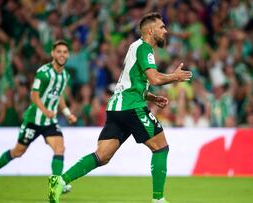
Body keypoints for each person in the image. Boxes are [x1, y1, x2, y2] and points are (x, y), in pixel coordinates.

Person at [48, 12, 192, 203]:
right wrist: (175, 77)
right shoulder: (145, 49)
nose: (165, 31)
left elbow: (129, 81)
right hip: (132, 106)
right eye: (162, 27)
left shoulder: (135, 47)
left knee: (103, 155)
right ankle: (158, 199)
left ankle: (59, 181)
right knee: (161, 148)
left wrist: (150, 96)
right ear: (150, 30)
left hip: (117, 107)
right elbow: (155, 78)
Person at [0, 40, 77, 193]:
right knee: (18, 152)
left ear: (68, 55)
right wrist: (45, 110)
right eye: (59, 51)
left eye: (65, 52)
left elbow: (58, 95)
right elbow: (33, 95)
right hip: (34, 120)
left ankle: (56, 184)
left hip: (50, 121)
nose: (62, 54)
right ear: (53, 54)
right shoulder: (43, 72)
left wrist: (67, 113)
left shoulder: (65, 76)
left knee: (59, 148)